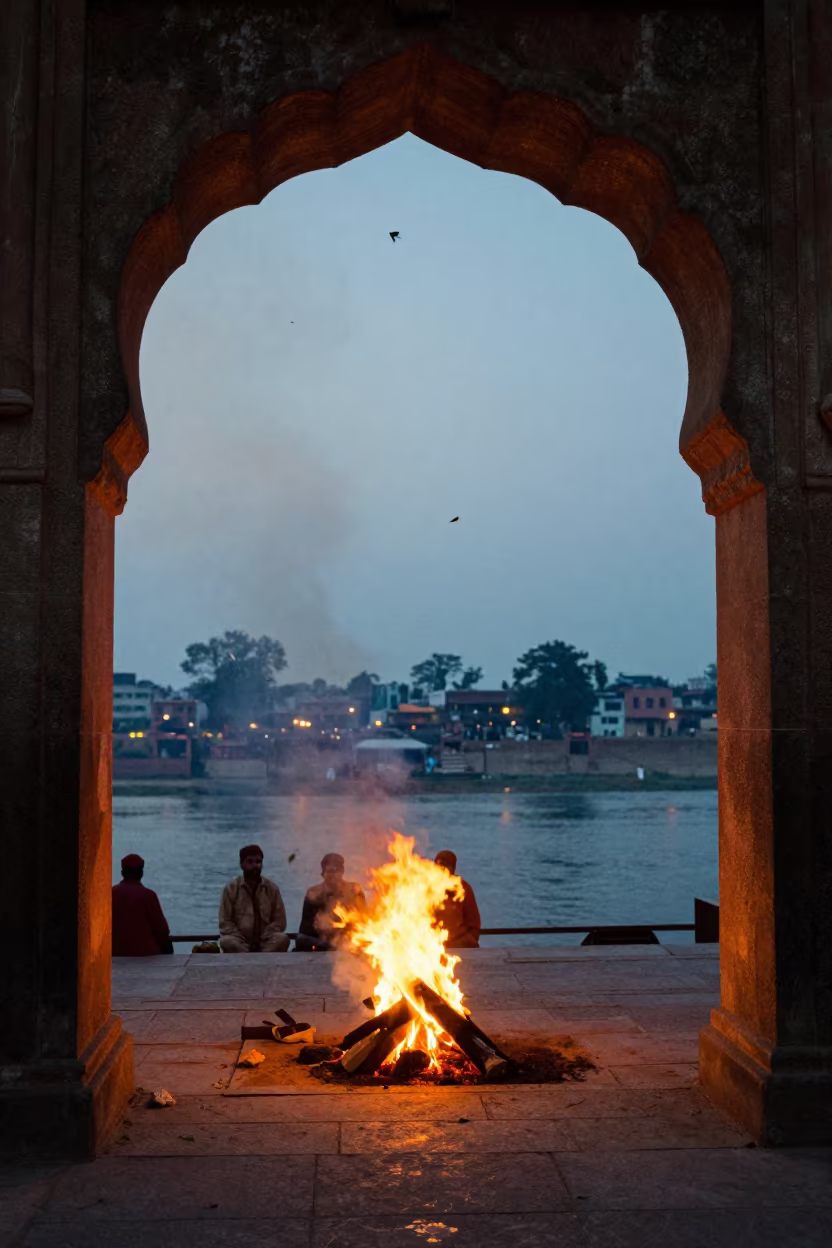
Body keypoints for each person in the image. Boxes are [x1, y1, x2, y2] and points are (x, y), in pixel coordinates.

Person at [219, 845, 290, 953]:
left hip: (266, 941)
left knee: (282, 939)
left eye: (258, 862)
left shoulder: (271, 888)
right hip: (240, 942)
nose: (255, 865)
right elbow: (225, 922)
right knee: (226, 941)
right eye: (250, 862)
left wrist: (266, 935)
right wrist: (239, 936)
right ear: (241, 865)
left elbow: (280, 921)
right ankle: (251, 958)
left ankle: (260, 959)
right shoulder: (231, 888)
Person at [295, 853, 366, 951]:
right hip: (320, 939)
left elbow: (364, 919)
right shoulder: (313, 893)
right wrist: (318, 926)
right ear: (323, 873)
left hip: (347, 936)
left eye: (335, 871)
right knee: (301, 939)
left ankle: (335, 946)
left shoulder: (354, 890)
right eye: (328, 872)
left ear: (342, 872)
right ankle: (329, 946)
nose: (332, 875)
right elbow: (305, 927)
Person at [112, 853, 173, 956]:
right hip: (146, 952)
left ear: (123, 873)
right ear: (141, 873)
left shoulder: (110, 893)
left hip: (115, 952)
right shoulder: (148, 895)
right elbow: (162, 930)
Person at [434, 849, 481, 949]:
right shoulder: (424, 886)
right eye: (439, 866)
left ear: (453, 869)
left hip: (458, 941)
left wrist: (467, 941)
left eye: (445, 866)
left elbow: (473, 923)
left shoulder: (463, 888)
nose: (442, 869)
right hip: (431, 939)